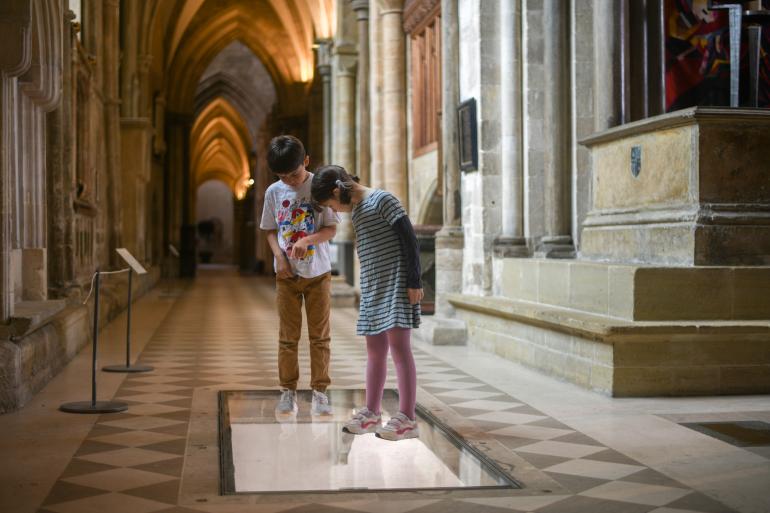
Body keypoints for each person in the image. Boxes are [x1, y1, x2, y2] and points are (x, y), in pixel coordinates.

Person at [311, 165, 423, 441]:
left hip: (397, 283)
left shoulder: (382, 200)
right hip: (373, 287)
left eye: (331, 205)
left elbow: (409, 240)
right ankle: (372, 412)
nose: (334, 211)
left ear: (337, 191)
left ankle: (407, 418)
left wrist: (414, 281)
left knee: (399, 348)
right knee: (374, 349)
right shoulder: (359, 210)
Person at [260, 135, 338, 416]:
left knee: (320, 337)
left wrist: (308, 240)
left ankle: (319, 392)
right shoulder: (273, 192)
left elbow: (331, 228)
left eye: (294, 174)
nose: (290, 181)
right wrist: (279, 257)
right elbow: (270, 229)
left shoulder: (319, 187)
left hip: (318, 272)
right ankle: (287, 391)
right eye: (282, 176)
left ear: (306, 162)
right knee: (287, 337)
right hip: (287, 274)